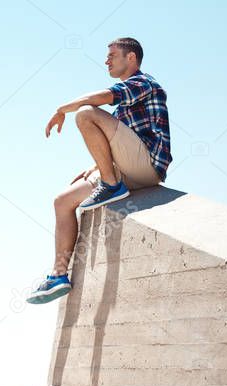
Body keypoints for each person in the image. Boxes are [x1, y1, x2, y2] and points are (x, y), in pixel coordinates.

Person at [25, 37, 172, 304]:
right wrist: (95, 166)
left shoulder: (143, 83)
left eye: (112, 55)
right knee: (63, 201)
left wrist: (61, 109)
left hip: (148, 166)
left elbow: (101, 98)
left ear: (131, 58)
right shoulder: (125, 107)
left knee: (85, 113)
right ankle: (58, 276)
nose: (106, 60)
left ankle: (111, 184)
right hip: (128, 168)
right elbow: (122, 140)